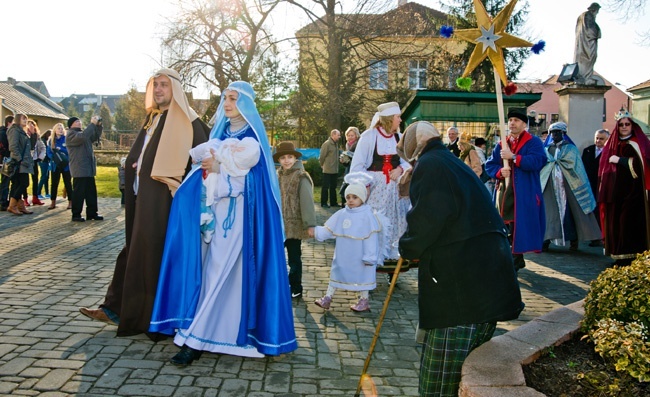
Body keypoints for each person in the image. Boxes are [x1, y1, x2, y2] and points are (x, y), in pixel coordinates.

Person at [149, 81, 297, 364]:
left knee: (220, 270)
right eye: (225, 98)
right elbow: (199, 169)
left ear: (246, 104)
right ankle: (226, 334)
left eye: (233, 99)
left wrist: (222, 169)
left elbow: (257, 181)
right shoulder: (221, 133)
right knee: (217, 273)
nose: (227, 103)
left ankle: (194, 340)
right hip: (215, 216)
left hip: (242, 219)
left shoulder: (252, 137)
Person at [79, 68, 209, 340]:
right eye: (155, 85)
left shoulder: (188, 121)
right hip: (140, 198)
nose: (158, 89)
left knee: (147, 255)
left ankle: (143, 315)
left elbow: (204, 160)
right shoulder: (152, 118)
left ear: (175, 88)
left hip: (165, 201)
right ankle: (118, 309)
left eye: (164, 84)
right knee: (135, 252)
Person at [397, 121, 524, 397]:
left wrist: (407, 247)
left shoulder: (432, 165)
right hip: (481, 283)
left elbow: (429, 217)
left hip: (464, 293)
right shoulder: (446, 160)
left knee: (439, 385)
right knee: (458, 378)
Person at [313, 175, 389, 312]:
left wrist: (370, 257)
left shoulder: (368, 216)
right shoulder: (342, 214)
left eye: (355, 197)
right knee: (336, 272)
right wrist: (317, 232)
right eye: (348, 197)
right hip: (343, 254)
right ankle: (328, 298)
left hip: (361, 256)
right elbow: (330, 229)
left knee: (363, 277)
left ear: (362, 198)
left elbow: (371, 238)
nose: (351, 200)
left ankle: (364, 300)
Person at [486, 107, 547, 270]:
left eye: (516, 120)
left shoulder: (533, 142)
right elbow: (490, 165)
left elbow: (538, 161)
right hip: (504, 190)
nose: (512, 123)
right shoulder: (502, 143)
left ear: (524, 124)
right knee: (504, 224)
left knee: (517, 224)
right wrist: (499, 172)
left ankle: (515, 257)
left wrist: (514, 157)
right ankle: (511, 257)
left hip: (524, 191)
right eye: (511, 120)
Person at [350, 101, 411, 262]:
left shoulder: (399, 137)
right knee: (375, 227)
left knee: (396, 226)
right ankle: (371, 267)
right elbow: (357, 166)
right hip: (375, 192)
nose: (400, 120)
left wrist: (400, 169)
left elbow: (409, 161)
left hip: (395, 194)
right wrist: (368, 183)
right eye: (398, 117)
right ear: (390, 118)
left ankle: (392, 265)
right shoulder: (369, 137)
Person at [598, 108, 650, 266]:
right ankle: (618, 255)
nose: (625, 127)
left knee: (628, 223)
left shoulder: (637, 143)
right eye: (621, 125)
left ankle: (631, 257)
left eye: (627, 124)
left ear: (632, 125)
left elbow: (642, 165)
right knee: (615, 224)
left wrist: (621, 161)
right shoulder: (612, 144)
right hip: (614, 193)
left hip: (634, 193)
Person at [540, 122, 601, 251]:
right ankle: (546, 239)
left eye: (557, 132)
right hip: (550, 184)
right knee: (549, 211)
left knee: (573, 212)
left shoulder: (570, 148)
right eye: (552, 133)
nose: (554, 135)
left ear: (564, 134)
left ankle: (575, 240)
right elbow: (543, 165)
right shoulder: (546, 149)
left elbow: (576, 167)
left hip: (569, 184)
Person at [275, 141, 316, 299]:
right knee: (277, 257)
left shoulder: (301, 176)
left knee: (294, 258)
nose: (287, 160)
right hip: (279, 225)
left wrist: (309, 224)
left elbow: (307, 202)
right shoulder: (277, 175)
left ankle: (296, 287)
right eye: (283, 157)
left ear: (295, 158)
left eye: (290, 157)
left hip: (293, 225)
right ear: (279, 160)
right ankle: (280, 284)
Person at [66, 116, 103, 222]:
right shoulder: (71, 134)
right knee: (79, 193)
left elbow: (94, 136)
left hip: (88, 169)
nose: (79, 122)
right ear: (71, 124)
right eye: (77, 121)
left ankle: (92, 213)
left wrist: (98, 127)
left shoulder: (83, 134)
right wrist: (92, 124)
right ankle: (76, 214)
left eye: (80, 121)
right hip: (79, 169)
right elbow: (83, 136)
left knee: (91, 192)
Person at [582, 129, 609, 245]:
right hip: (589, 185)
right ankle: (592, 235)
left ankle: (600, 236)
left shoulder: (610, 152)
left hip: (602, 185)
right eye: (597, 138)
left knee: (600, 211)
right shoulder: (588, 150)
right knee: (590, 210)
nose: (598, 140)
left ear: (607, 140)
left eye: (601, 138)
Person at [6, 114, 34, 216]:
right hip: (19, 162)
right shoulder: (15, 130)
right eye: (23, 118)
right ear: (17, 119)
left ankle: (20, 206)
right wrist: (19, 159)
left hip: (24, 161)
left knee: (18, 184)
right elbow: (13, 146)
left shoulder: (22, 131)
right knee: (24, 183)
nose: (25, 120)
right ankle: (12, 205)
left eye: (26, 118)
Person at [47, 123, 73, 210]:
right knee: (54, 184)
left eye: (61, 128)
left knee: (68, 183)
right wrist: (53, 158)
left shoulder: (66, 139)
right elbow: (49, 152)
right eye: (58, 128)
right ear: (55, 130)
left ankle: (70, 202)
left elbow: (69, 151)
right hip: (55, 165)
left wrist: (60, 149)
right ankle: (53, 202)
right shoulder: (51, 140)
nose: (60, 130)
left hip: (65, 165)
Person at [574, 3, 601, 85]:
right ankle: (586, 78)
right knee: (590, 58)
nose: (597, 13)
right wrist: (597, 33)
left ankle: (583, 76)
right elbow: (591, 30)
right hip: (588, 43)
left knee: (582, 60)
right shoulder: (588, 16)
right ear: (594, 10)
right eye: (597, 11)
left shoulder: (580, 16)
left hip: (580, 43)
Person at [338, 126, 360, 207]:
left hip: (356, 170)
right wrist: (343, 161)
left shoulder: (359, 144)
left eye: (352, 135)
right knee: (346, 186)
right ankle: (345, 202)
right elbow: (347, 162)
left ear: (356, 136)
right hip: (348, 170)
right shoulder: (347, 145)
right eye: (349, 135)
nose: (350, 137)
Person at [319, 129, 341, 208]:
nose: (339, 137)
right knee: (325, 187)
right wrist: (322, 165)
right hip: (327, 169)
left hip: (334, 170)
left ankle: (333, 202)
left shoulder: (336, 144)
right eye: (338, 135)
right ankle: (324, 203)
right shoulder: (327, 144)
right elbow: (322, 156)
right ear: (333, 135)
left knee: (333, 187)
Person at [26, 120, 46, 206]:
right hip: (26, 161)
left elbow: (43, 147)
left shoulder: (37, 136)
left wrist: (40, 157)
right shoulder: (25, 136)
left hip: (34, 160)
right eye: (29, 125)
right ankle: (25, 199)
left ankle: (35, 197)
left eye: (33, 125)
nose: (31, 127)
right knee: (25, 181)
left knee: (35, 179)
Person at [0, 115, 13, 211]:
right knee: (5, 181)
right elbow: (5, 148)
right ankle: (3, 202)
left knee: (6, 181)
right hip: (5, 160)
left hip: (5, 159)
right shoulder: (4, 134)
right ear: (9, 123)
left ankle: (4, 200)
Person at [37, 129, 51, 199]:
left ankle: (47, 193)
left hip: (46, 161)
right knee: (43, 177)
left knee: (47, 177)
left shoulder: (44, 140)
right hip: (43, 161)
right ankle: (38, 192)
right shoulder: (43, 141)